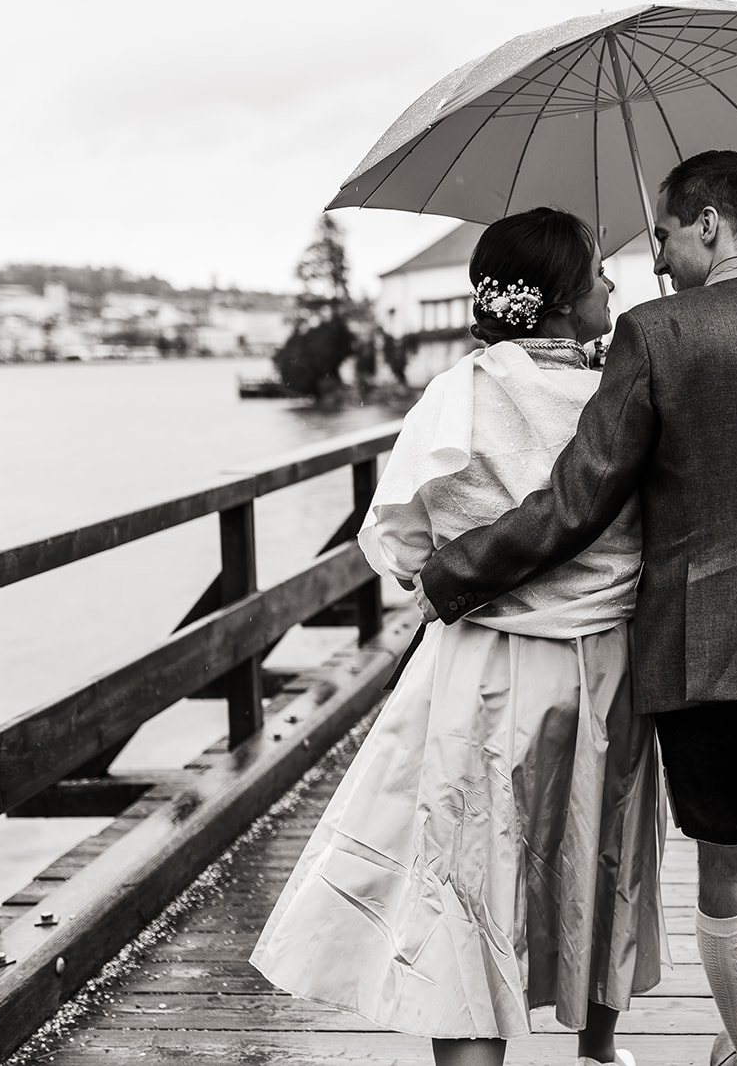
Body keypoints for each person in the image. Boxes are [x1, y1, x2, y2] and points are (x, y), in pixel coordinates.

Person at [415, 151, 737, 1066]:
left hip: (702, 656)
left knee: (726, 874)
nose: (654, 260)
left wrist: (452, 577)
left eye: (665, 236)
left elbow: (579, 500)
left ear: (712, 224)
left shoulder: (657, 334)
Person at [251, 207, 666, 1066]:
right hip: (607, 672)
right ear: (557, 300)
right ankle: (599, 1048)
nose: (611, 285)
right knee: (600, 850)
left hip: (487, 673)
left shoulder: (460, 394)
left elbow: (400, 547)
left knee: (469, 876)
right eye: (597, 272)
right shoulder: (620, 399)